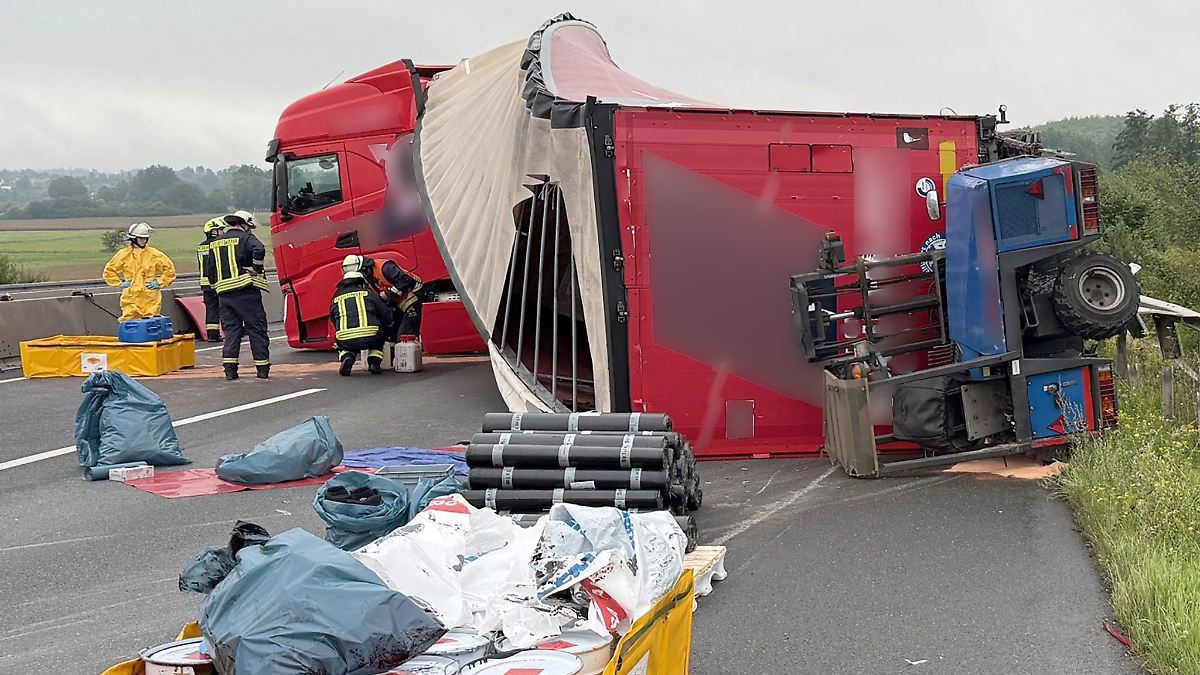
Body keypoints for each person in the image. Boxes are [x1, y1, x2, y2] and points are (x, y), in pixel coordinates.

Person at [206, 210, 270, 380]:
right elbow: (259, 249)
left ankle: (230, 371)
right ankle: (262, 369)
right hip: (245, 292)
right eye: (249, 227)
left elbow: (210, 270)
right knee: (257, 329)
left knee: (232, 332)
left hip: (224, 296)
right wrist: (255, 268)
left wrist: (217, 289)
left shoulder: (215, 243)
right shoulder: (245, 238)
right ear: (243, 224)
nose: (250, 230)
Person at [102, 222, 176, 322]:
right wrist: (119, 283)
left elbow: (170, 269)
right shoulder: (124, 255)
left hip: (150, 297)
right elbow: (109, 271)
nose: (143, 241)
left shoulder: (154, 254)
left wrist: (159, 282)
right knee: (129, 323)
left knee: (151, 323)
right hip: (131, 296)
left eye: (145, 238)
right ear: (133, 239)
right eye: (141, 238)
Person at [329, 266, 392, 375]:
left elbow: (333, 318)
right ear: (360, 283)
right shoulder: (369, 294)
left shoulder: (336, 298)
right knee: (379, 336)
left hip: (345, 338)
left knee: (345, 343)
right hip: (371, 336)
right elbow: (386, 314)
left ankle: (347, 356)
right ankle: (374, 362)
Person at [196, 216, 226, 341]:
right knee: (224, 307)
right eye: (220, 230)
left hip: (205, 283)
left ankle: (212, 334)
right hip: (217, 282)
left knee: (211, 309)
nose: (222, 232)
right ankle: (231, 331)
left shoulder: (201, 246)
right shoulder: (217, 245)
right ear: (213, 231)